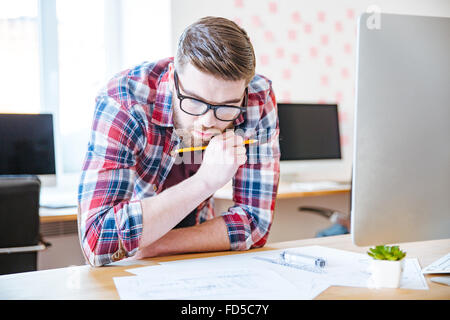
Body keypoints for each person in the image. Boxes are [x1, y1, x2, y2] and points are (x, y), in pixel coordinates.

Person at [77, 16, 280, 267]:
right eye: (194, 101)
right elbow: (97, 242)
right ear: (174, 77)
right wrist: (205, 182)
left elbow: (255, 224)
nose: (207, 121)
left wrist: (154, 245)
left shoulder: (258, 99)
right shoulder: (124, 101)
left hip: (186, 250)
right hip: (128, 265)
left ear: (244, 93)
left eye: (227, 107)